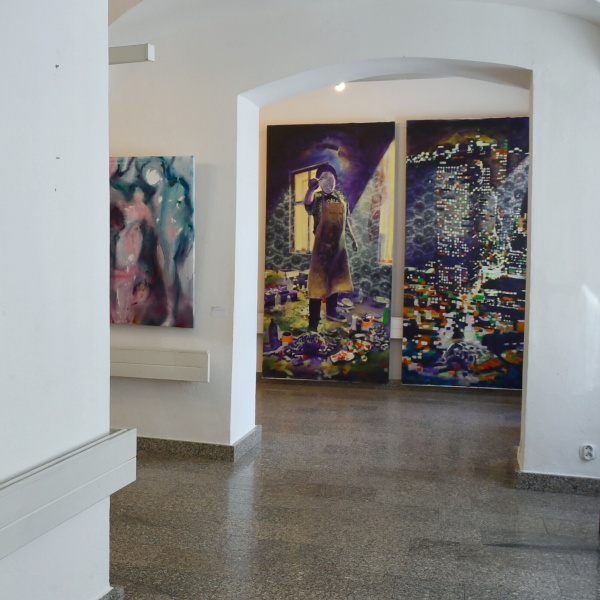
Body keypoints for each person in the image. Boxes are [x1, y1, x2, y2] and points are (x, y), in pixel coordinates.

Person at [303, 164, 359, 331]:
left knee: (335, 280)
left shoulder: (341, 197)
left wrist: (353, 239)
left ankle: (331, 312)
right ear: (319, 181)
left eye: (331, 178)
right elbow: (308, 204)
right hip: (322, 249)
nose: (329, 182)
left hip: (338, 248)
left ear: (336, 180)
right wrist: (310, 189)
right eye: (324, 178)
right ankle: (313, 322)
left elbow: (346, 220)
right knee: (317, 284)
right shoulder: (316, 197)